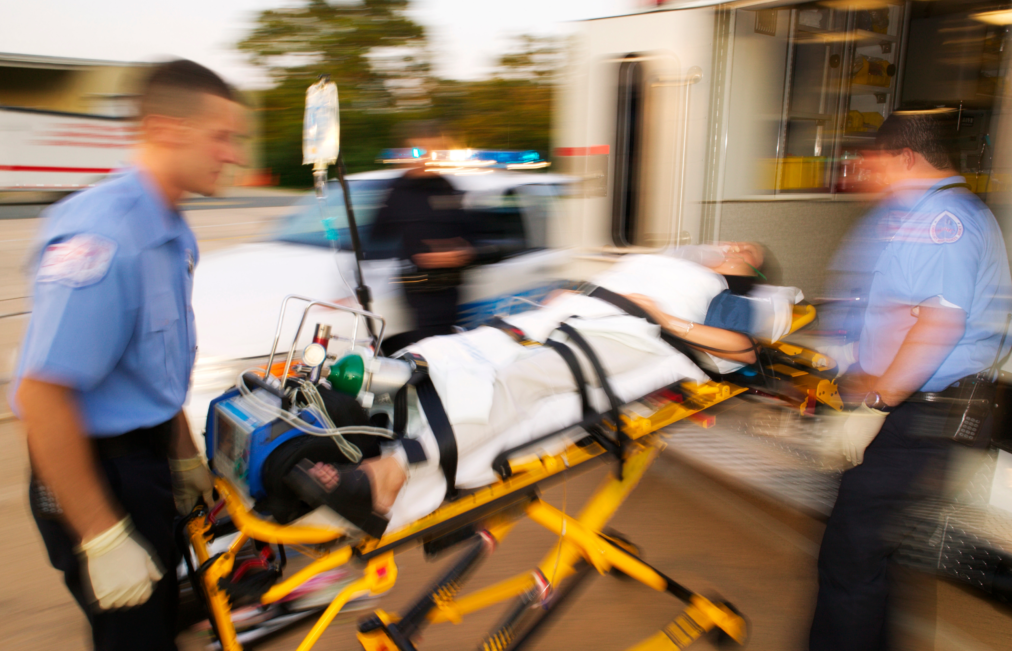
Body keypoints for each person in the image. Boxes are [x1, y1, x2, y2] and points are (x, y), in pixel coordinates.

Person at [283, 246, 779, 534]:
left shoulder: (721, 290)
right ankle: (356, 427)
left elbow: (742, 349)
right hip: (580, 318)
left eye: (744, 251)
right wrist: (578, 295)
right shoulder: (670, 260)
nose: (731, 247)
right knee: (452, 351)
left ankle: (387, 474)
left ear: (746, 269)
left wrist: (666, 318)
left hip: (638, 340)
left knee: (524, 378)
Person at [11, 59, 246, 650]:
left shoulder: (169, 229)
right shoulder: (105, 236)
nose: (234, 154)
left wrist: (187, 460)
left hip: (145, 459)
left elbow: (152, 371)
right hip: (92, 472)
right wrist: (101, 535)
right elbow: (42, 397)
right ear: (169, 130)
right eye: (222, 137)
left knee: (163, 621)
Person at [809, 111, 1012, 650]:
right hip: (910, 406)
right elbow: (894, 304)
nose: (866, 179)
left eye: (874, 166)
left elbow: (939, 322)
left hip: (919, 412)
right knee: (874, 552)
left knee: (850, 557)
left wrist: (874, 407)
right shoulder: (922, 213)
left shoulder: (943, 219)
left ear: (905, 157)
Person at [370, 122, 475, 352]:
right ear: (409, 151)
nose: (427, 159)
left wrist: (461, 254)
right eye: (421, 151)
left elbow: (471, 234)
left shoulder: (448, 187)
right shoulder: (398, 190)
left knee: (450, 351)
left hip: (451, 293)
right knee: (428, 352)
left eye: (435, 152)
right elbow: (376, 235)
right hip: (419, 294)